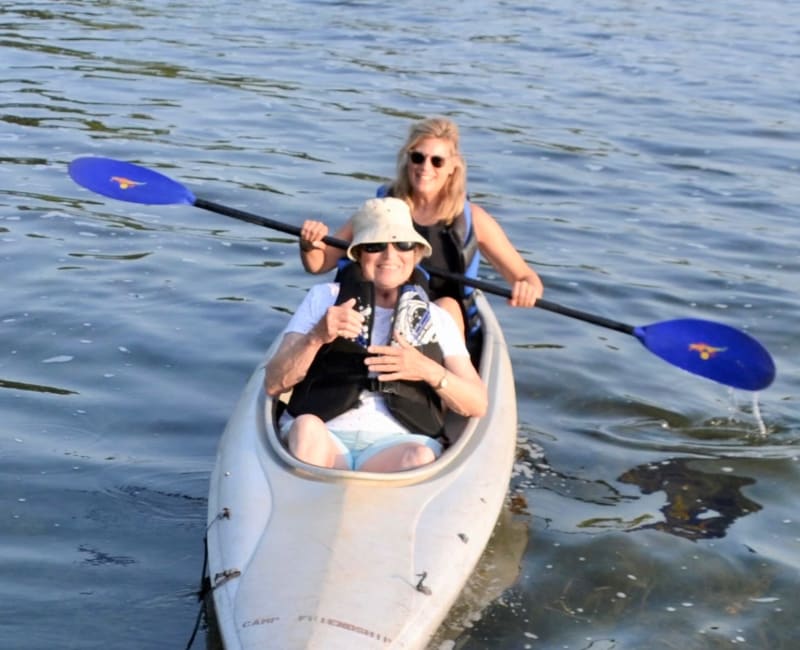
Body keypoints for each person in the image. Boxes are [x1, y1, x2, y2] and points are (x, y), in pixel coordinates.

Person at [265, 197, 488, 473]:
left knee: (419, 457)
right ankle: (309, 502)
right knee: (306, 427)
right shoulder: (324, 298)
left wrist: (426, 369)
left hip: (397, 444)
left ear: (416, 253)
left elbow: (477, 403)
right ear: (358, 254)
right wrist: (317, 336)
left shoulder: (437, 317)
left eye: (403, 245)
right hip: (325, 434)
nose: (390, 256)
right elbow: (274, 383)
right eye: (375, 246)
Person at [297, 116, 544, 341]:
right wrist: (310, 244)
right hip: (379, 308)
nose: (426, 167)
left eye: (437, 161)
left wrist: (527, 289)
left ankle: (444, 378)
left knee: (447, 305)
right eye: (418, 157)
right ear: (407, 159)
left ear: (452, 168)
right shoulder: (383, 209)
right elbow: (319, 264)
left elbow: (527, 277)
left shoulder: (474, 219)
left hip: (437, 322)